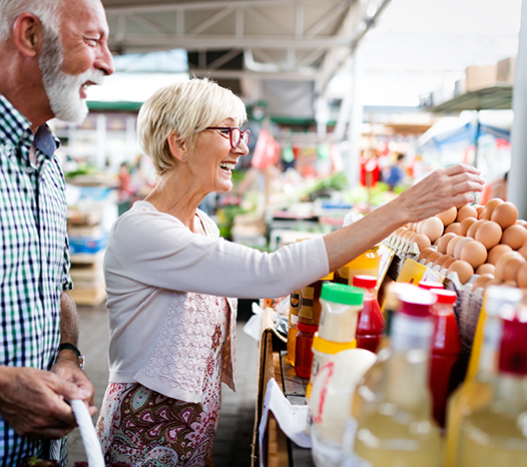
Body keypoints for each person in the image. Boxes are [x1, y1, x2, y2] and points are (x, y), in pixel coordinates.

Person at [95, 79, 483, 466]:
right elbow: (268, 272)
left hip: (189, 428)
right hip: (144, 435)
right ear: (179, 144)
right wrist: (402, 209)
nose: (242, 145)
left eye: (241, 132)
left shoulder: (201, 224)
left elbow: (232, 285)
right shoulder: (141, 232)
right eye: (227, 131)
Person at [0, 0, 114, 465]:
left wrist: (66, 354)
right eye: (93, 40)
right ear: (30, 36)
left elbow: (56, 283)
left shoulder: (46, 159)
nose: (108, 63)